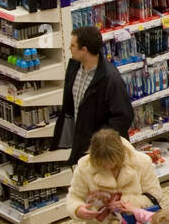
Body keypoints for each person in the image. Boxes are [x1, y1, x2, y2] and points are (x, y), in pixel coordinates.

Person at [53, 26, 135, 166]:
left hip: (102, 150)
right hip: (81, 140)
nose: (69, 48)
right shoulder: (73, 67)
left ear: (84, 50)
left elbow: (124, 116)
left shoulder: (110, 79)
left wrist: (100, 143)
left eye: (73, 45)